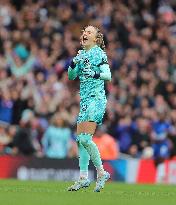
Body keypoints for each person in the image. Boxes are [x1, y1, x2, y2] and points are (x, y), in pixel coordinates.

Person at [67, 25, 111, 192]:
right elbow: (71, 76)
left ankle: (101, 172)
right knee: (80, 140)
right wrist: (74, 62)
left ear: (96, 39)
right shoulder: (81, 55)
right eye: (84, 31)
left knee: (85, 139)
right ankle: (84, 177)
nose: (85, 33)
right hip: (85, 101)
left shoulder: (99, 53)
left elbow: (108, 75)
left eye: (89, 32)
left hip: (96, 99)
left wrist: (94, 74)